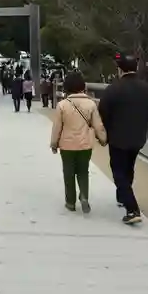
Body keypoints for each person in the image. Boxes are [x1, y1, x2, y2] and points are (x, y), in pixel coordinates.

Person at [99, 55, 148, 225]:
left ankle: (132, 209)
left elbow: (102, 112)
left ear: (120, 69)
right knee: (129, 167)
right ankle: (123, 196)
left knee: (118, 171)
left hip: (117, 137)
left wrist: (105, 131)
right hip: (138, 138)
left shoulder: (113, 89)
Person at [50, 72, 107, 213]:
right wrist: (103, 139)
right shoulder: (91, 104)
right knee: (83, 171)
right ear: (83, 86)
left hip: (67, 145)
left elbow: (57, 127)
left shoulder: (62, 105)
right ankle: (84, 196)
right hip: (85, 145)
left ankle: (70, 202)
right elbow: (98, 125)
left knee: (68, 173)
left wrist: (54, 143)